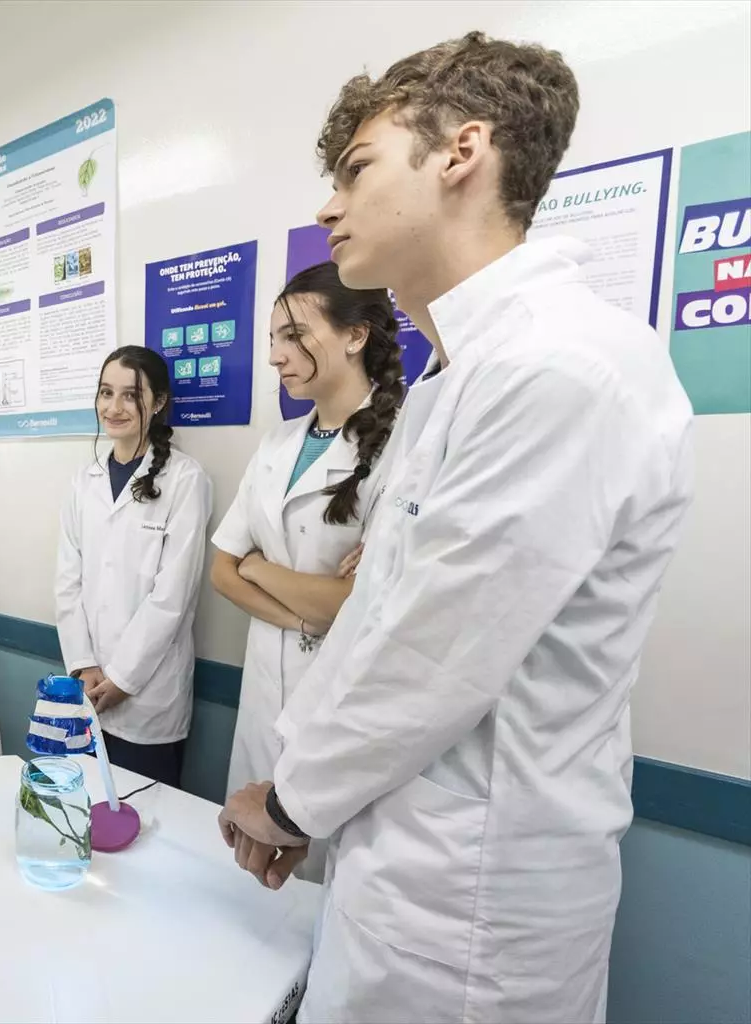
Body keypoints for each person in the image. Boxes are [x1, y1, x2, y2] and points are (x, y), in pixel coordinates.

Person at [216, 33, 694, 1023]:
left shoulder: (562, 366)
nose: (328, 206)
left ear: (461, 153)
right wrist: (300, 787)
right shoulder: (459, 379)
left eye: (356, 169)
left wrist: (293, 801)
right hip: (403, 868)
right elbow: (378, 622)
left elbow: (432, 653)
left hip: (476, 907)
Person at [211, 262, 402, 819]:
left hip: (340, 702)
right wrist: (301, 617)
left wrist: (257, 568)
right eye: (273, 338)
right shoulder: (277, 443)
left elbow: (353, 602)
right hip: (263, 689)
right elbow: (221, 571)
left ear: (355, 335)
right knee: (246, 840)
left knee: (315, 853)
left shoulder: (402, 446)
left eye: (294, 336)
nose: (275, 356)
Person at [55, 346, 213, 787]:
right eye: (106, 393)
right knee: (86, 803)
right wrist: (83, 664)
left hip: (149, 697)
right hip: (88, 686)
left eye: (130, 395)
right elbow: (67, 580)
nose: (114, 407)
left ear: (158, 402)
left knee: (145, 813)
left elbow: (173, 596)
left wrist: (123, 678)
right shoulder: (83, 481)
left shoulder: (185, 479)